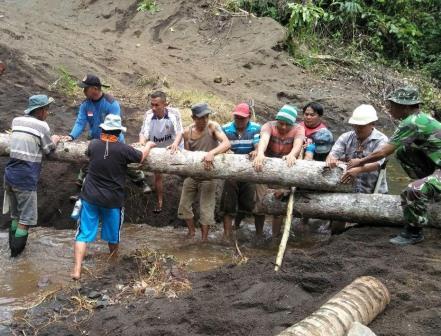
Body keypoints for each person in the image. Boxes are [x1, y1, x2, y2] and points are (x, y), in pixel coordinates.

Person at [348, 87, 441, 245]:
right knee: (404, 151)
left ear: (404, 107)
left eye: (392, 106)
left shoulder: (412, 122)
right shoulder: (419, 118)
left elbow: (383, 152)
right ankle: (431, 186)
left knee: (413, 190)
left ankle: (414, 232)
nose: (389, 109)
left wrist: (359, 162)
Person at [71, 114, 155, 280]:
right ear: (118, 132)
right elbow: (141, 156)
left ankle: (76, 270)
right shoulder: (123, 149)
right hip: (112, 201)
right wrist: (150, 145)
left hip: (90, 197)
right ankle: (113, 264)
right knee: (113, 235)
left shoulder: (94, 144)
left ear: (103, 130)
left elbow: (90, 155)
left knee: (83, 234)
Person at [62, 74, 146, 189]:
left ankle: (139, 179)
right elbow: (80, 122)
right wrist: (71, 136)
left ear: (95, 89)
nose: (84, 91)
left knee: (124, 162)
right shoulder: (85, 105)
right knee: (89, 160)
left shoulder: (111, 104)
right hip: (95, 138)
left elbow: (115, 127)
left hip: (114, 139)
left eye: (86, 88)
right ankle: (81, 182)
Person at [3, 95, 60, 257]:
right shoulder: (43, 126)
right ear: (41, 111)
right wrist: (55, 139)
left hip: (9, 176)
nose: (47, 113)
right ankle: (16, 256)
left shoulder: (16, 121)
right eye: (47, 109)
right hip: (25, 178)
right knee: (25, 220)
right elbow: (49, 150)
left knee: (15, 215)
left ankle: (11, 254)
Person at [177, 103, 230, 241]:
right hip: (193, 174)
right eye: (201, 117)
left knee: (206, 210)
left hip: (209, 175)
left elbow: (226, 143)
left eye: (206, 116)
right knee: (183, 206)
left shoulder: (212, 127)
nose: (205, 120)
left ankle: (204, 239)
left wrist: (211, 153)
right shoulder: (188, 132)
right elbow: (188, 153)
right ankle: (192, 232)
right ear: (194, 118)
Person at [253, 105, 305, 237]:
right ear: (276, 121)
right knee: (259, 205)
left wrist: (292, 155)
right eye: (280, 123)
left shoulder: (298, 129)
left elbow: (298, 144)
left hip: (285, 169)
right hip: (265, 168)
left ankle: (274, 236)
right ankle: (259, 234)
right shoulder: (268, 126)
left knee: (278, 204)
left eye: (287, 125)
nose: (283, 127)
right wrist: (260, 153)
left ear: (292, 124)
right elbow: (263, 140)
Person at [220, 103, 264, 240]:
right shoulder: (226, 128)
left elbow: (258, 144)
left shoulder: (256, 128)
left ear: (249, 117)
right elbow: (221, 144)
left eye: (242, 118)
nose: (239, 121)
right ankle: (227, 235)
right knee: (228, 204)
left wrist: (256, 150)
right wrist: (225, 150)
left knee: (252, 204)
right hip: (231, 172)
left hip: (250, 172)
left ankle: (257, 234)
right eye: (237, 117)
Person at [326, 104, 389, 194]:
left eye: (361, 126)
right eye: (355, 125)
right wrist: (332, 159)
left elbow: (377, 163)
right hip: (348, 190)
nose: (357, 129)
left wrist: (359, 169)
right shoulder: (346, 137)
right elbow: (333, 154)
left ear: (372, 124)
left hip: (373, 190)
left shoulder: (381, 140)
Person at [139, 91, 183, 213]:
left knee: (185, 166)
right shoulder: (148, 115)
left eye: (156, 105)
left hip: (173, 143)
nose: (153, 108)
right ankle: (160, 202)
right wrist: (141, 144)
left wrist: (175, 144)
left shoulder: (174, 113)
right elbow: (143, 133)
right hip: (156, 145)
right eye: (152, 104)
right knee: (158, 175)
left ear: (165, 104)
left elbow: (179, 132)